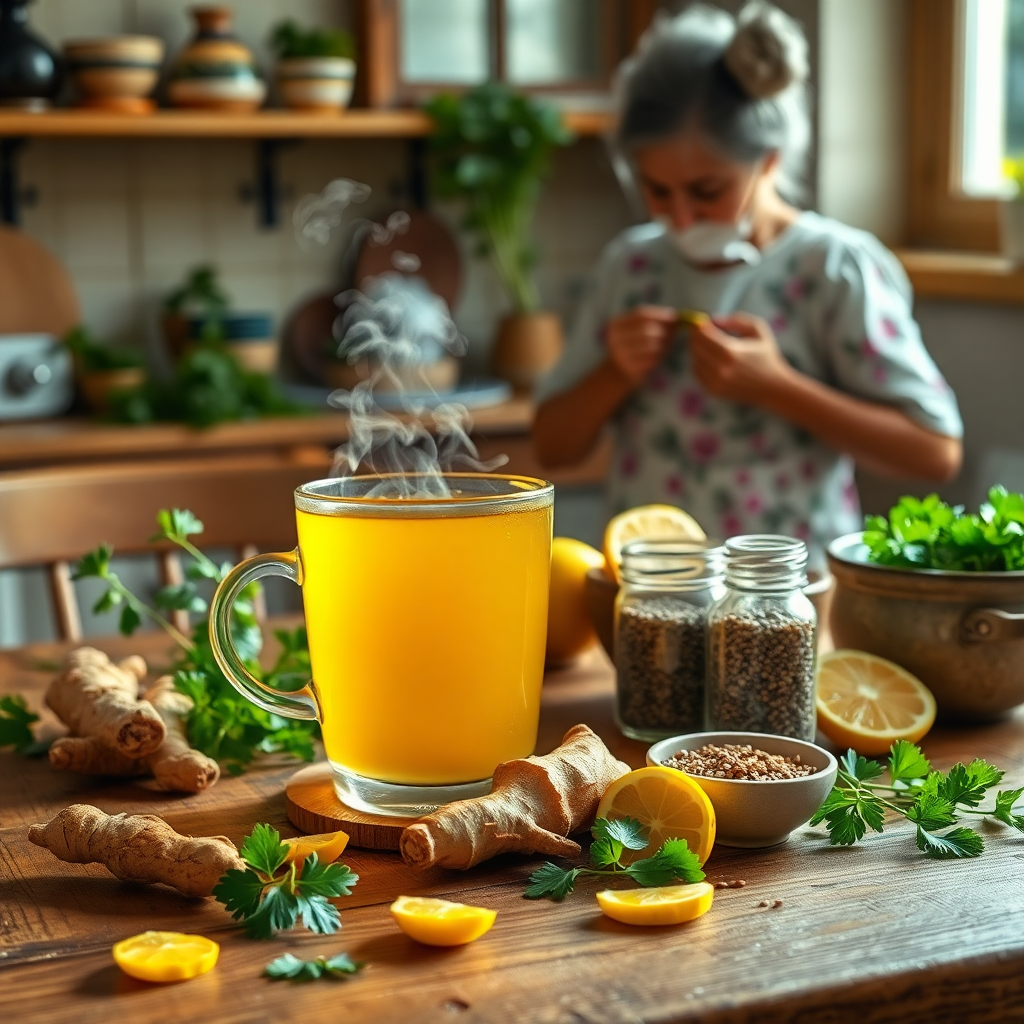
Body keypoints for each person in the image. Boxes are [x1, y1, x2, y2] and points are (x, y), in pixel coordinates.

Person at [533, 1, 963, 563]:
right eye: (657, 192)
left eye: (707, 190)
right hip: (655, 595)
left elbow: (936, 451)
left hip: (792, 603)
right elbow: (551, 445)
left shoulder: (833, 269)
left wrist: (780, 387)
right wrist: (616, 372)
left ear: (769, 160)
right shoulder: (630, 268)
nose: (681, 218)